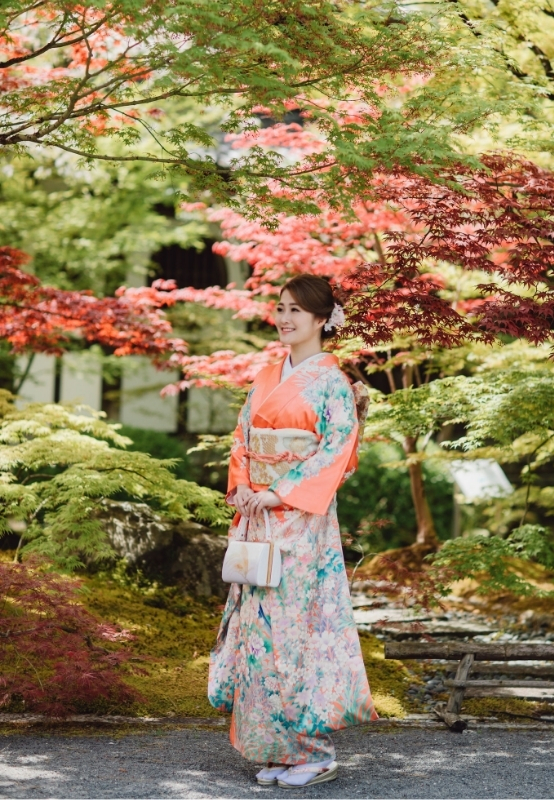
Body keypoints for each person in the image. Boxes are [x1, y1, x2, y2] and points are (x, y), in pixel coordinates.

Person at [208, 274, 376, 788]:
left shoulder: (332, 382)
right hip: (259, 515)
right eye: (280, 308)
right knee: (259, 632)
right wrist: (241, 486)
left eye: (296, 311)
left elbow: (338, 451)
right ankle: (279, 748)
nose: (284, 318)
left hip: (302, 521)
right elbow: (243, 437)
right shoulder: (267, 374)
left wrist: (281, 492)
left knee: (297, 630)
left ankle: (315, 751)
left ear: (323, 319)